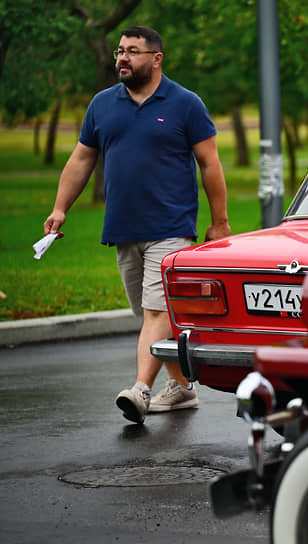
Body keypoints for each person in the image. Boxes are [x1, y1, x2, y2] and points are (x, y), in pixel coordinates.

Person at [43, 26, 231, 424]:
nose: (122, 59)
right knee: (147, 313)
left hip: (172, 226)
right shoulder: (102, 104)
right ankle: (181, 388)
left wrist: (220, 223)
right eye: (119, 51)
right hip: (124, 228)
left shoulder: (185, 104)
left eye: (132, 51)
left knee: (155, 312)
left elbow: (210, 165)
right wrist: (61, 208)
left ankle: (140, 391)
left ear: (156, 58)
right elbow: (81, 159)